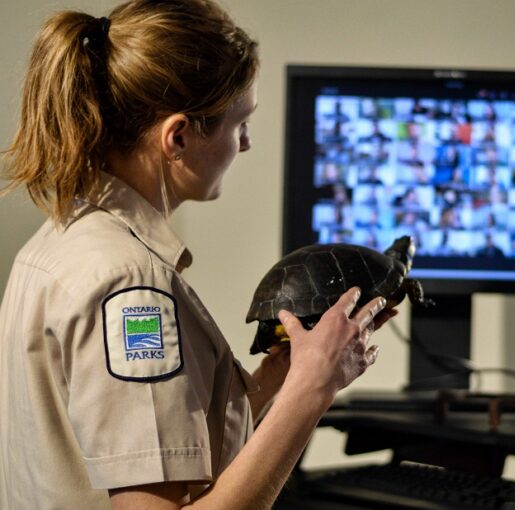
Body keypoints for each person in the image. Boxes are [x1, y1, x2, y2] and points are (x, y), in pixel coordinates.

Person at [0, 1, 392, 508]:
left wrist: (286, 372)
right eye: (239, 123)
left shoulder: (60, 241)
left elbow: (162, 441)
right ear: (178, 136)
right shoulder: (129, 285)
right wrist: (314, 389)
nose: (245, 143)